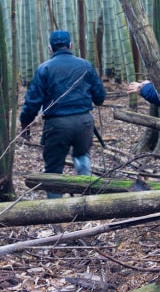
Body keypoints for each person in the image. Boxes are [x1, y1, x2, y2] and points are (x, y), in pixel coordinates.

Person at [20, 30, 106, 196]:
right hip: (84, 122)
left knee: (53, 169)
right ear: (71, 46)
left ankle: (56, 211)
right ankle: (89, 203)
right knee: (82, 159)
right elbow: (100, 97)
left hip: (57, 124)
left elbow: (33, 101)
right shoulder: (85, 65)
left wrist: (25, 122)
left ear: (50, 48)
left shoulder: (44, 69)